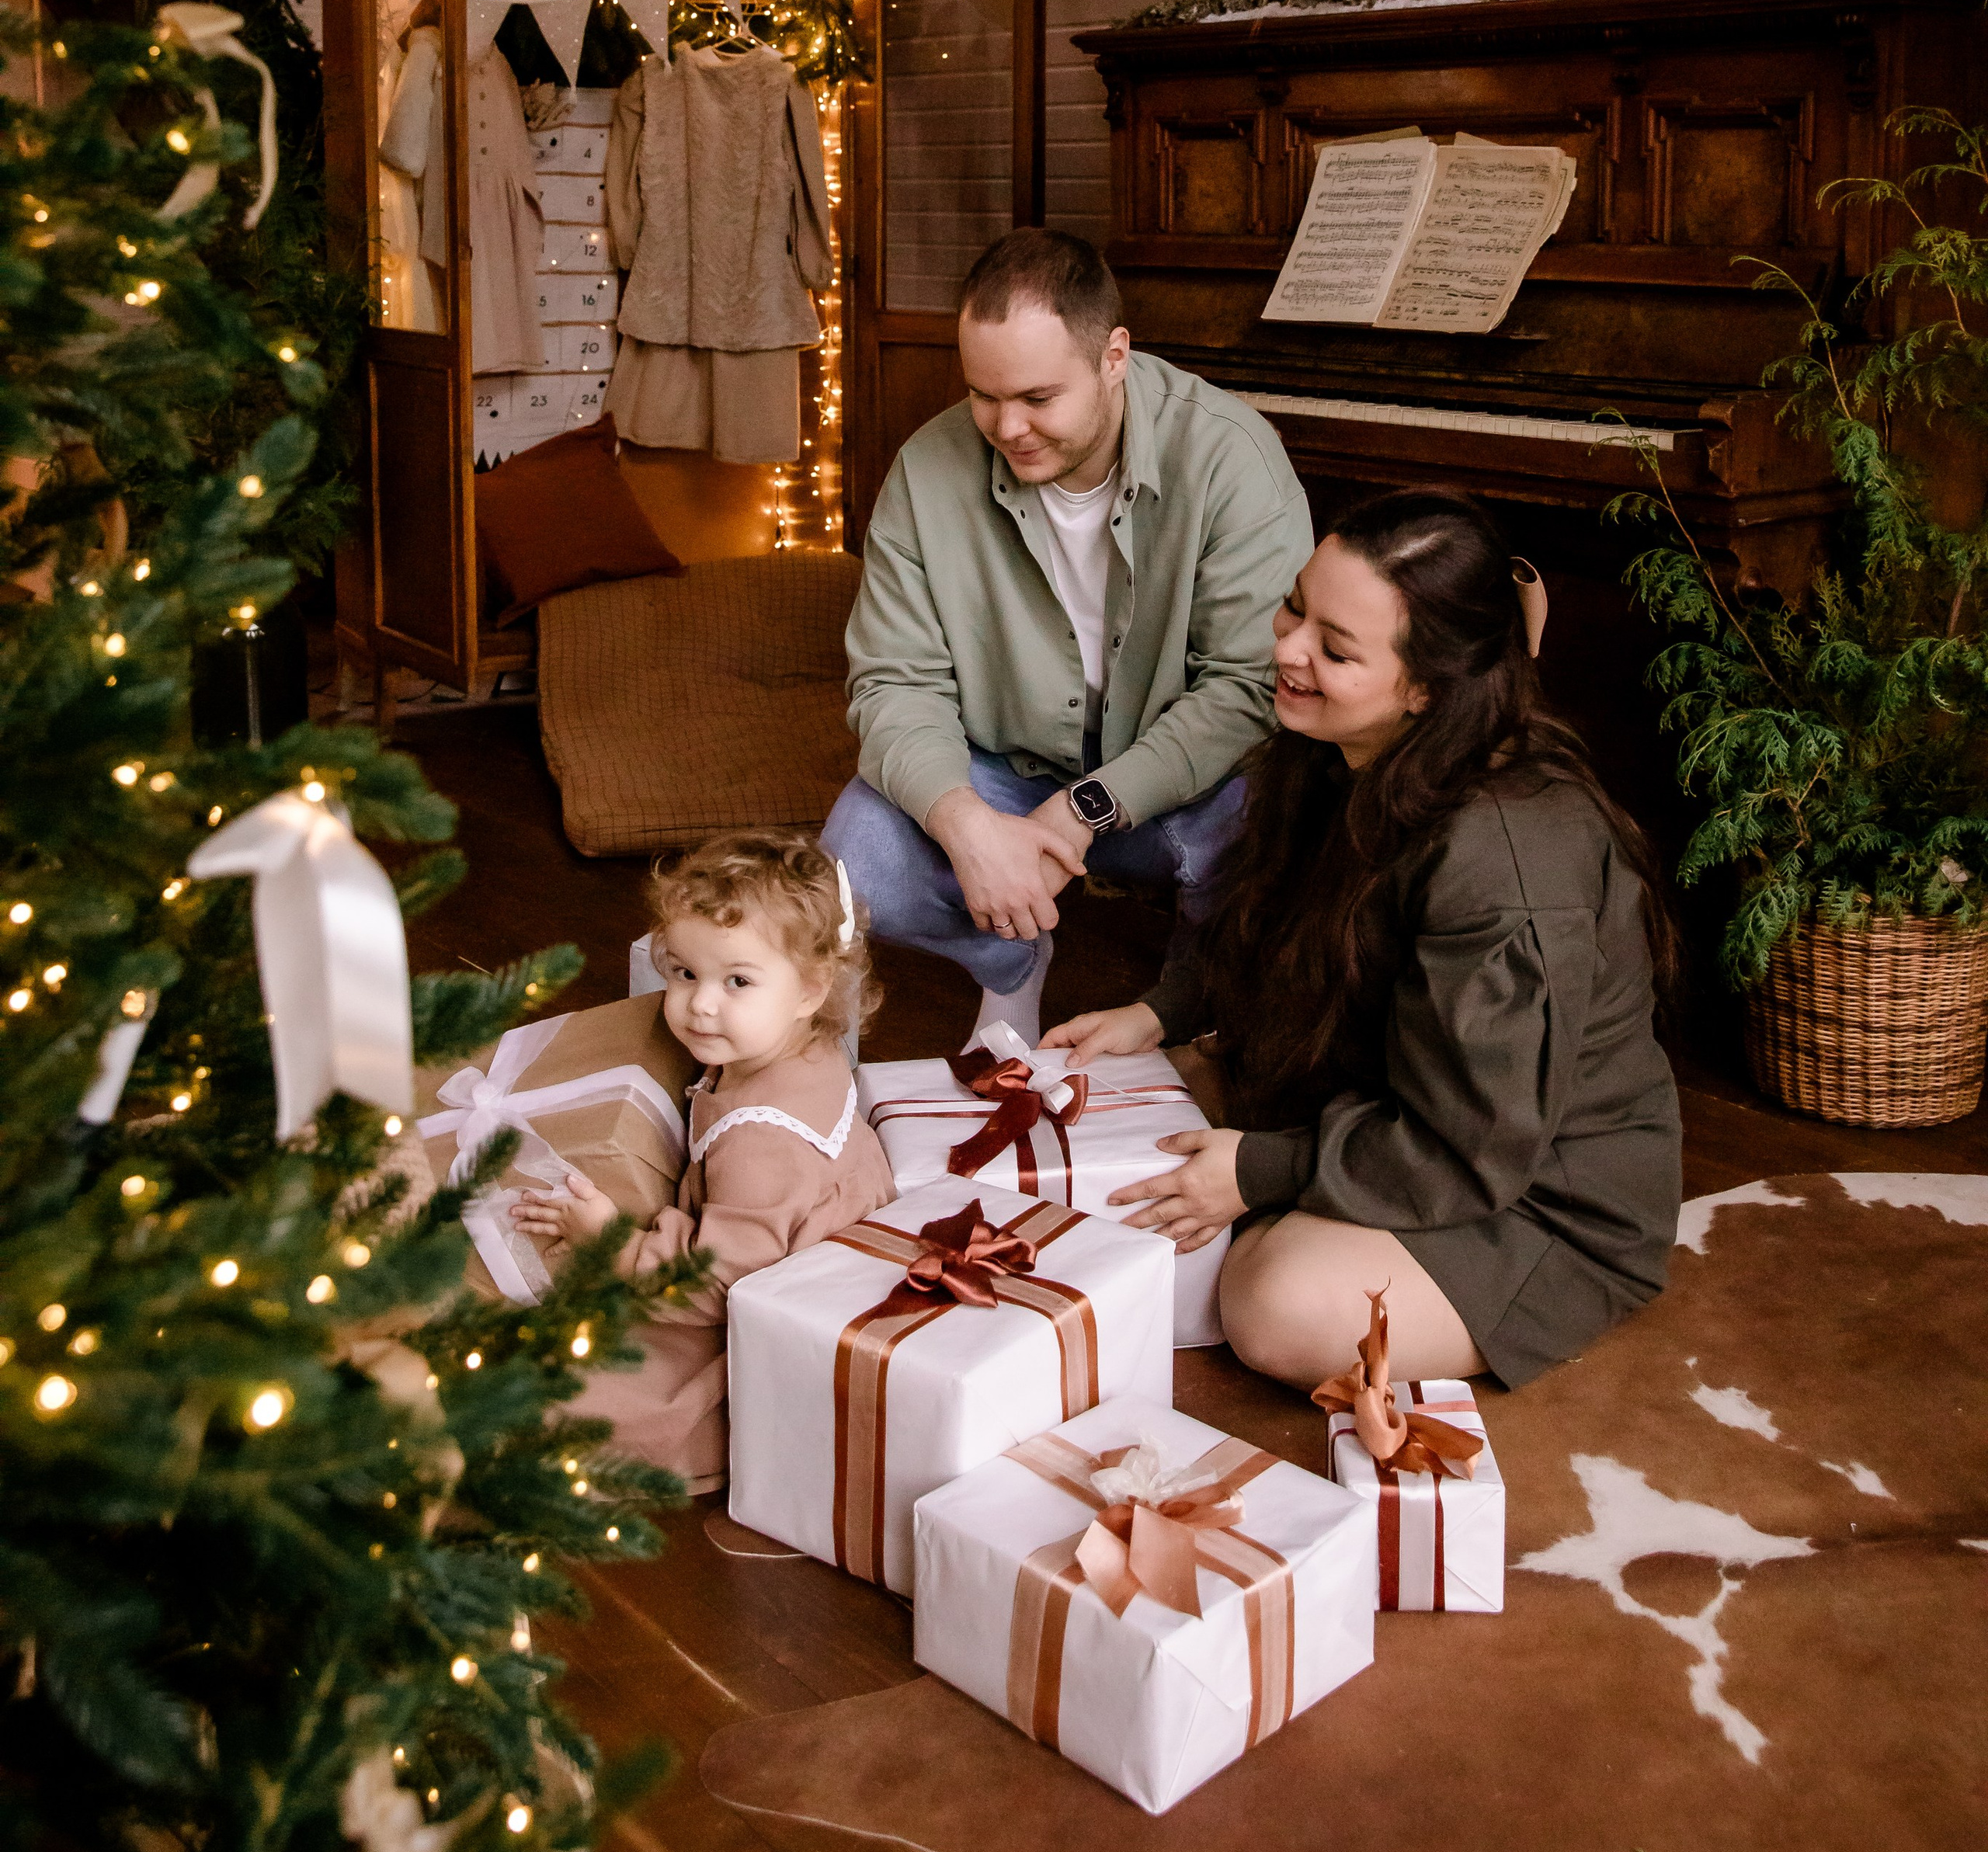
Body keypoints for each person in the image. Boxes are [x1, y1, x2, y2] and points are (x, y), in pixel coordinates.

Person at [1043, 491, 1683, 1392]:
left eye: (1335, 649)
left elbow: (1473, 1143)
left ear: (1428, 687)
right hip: (1373, 1097)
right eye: (1296, 606)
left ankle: (1306, 1224)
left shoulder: (1501, 860)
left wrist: (1265, 1169)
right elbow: (1263, 916)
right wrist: (1160, 1015)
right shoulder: (1332, 744)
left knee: (1273, 1301)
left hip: (1530, 1194)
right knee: (1104, 1093)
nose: (1287, 649)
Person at [822, 227, 1317, 1049]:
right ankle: (1010, 960)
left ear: (1113, 356)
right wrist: (962, 823)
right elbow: (892, 683)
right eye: (984, 394)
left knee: (1281, 818)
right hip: (1004, 774)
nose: (1006, 426)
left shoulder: (1234, 459)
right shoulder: (924, 468)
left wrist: (1091, 805)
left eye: (1038, 399)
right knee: (854, 868)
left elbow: (1250, 685)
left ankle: (1191, 1013)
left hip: (1178, 790)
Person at [511, 829, 895, 1489]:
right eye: (684, 973)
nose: (701, 1003)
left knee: (549, 1396)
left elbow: (714, 1285)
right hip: (763, 1254)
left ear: (810, 990)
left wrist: (612, 1244)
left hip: (736, 1331)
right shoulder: (804, 1050)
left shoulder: (762, 1142)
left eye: (737, 981)